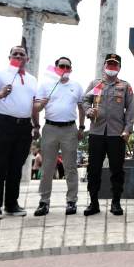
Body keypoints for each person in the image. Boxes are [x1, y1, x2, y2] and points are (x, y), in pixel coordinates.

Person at [0, 45, 38, 219]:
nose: (19, 56)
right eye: (15, 54)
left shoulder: (32, 79)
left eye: (22, 54)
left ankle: (12, 204)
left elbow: (33, 104)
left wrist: (37, 125)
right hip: (3, 123)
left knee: (16, 168)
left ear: (27, 59)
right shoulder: (0, 75)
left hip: (24, 126)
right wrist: (0, 93)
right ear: (10, 57)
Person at [82, 53, 134, 216]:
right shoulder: (95, 84)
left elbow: (130, 109)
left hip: (116, 134)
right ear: (104, 66)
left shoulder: (125, 86)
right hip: (97, 132)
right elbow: (85, 100)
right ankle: (93, 202)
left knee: (117, 169)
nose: (112, 67)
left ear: (119, 68)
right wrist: (88, 110)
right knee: (94, 169)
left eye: (115, 64)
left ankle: (116, 202)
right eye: (109, 64)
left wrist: (128, 129)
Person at [33, 56, 86, 216]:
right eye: (61, 66)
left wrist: (82, 127)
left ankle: (71, 201)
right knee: (47, 166)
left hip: (70, 128)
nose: (64, 69)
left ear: (70, 69)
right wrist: (42, 103)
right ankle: (44, 202)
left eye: (67, 67)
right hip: (50, 127)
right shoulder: (46, 85)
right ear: (56, 68)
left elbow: (81, 108)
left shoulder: (76, 86)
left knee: (70, 167)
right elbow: (35, 107)